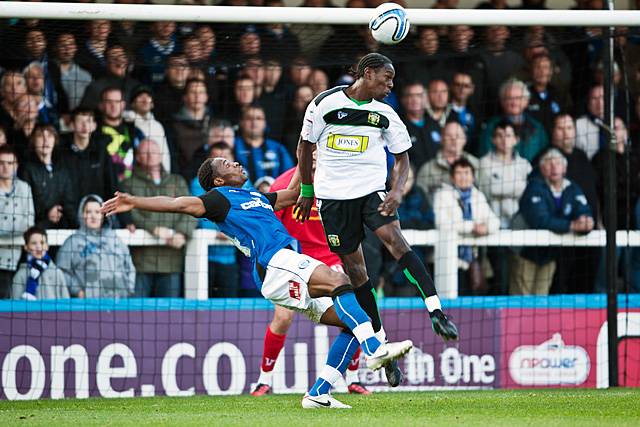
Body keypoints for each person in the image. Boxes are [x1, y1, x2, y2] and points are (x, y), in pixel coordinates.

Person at [100, 157, 413, 409]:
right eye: (225, 163)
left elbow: (292, 195)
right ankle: (374, 350)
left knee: (352, 320)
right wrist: (134, 201)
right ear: (218, 180)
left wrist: (307, 156)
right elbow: (179, 204)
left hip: (284, 267)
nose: (234, 163)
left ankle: (319, 392)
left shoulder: (255, 196)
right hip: (275, 263)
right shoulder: (218, 199)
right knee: (341, 281)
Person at [295, 53, 459, 386]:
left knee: (396, 241)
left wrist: (396, 191)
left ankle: (436, 311)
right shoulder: (323, 104)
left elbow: (402, 158)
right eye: (386, 78)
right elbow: (305, 147)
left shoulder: (385, 114)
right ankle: (381, 346)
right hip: (334, 200)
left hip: (371, 193)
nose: (390, 85)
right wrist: (308, 190)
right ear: (367, 73)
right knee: (357, 272)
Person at [251, 164, 370, 397]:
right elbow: (272, 225)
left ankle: (353, 379)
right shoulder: (285, 183)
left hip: (328, 257)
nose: (316, 154)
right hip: (294, 258)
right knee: (283, 316)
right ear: (303, 153)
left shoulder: (338, 178)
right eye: (311, 149)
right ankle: (263, 380)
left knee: (351, 312)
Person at [510, 148, 594, 295]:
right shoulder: (534, 187)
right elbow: (540, 220)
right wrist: (571, 225)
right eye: (549, 163)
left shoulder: (572, 188)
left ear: (565, 168)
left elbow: (583, 210)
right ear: (542, 168)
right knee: (522, 299)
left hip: (549, 255)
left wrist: (586, 220)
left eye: (558, 163)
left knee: (541, 299)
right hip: (525, 252)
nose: (554, 167)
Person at [121, 139, 195, 297]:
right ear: (138, 157)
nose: (150, 156)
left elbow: (191, 210)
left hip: (172, 262)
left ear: (161, 155)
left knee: (169, 316)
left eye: (154, 151)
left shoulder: (177, 181)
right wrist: (152, 228)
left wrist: (182, 232)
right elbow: (130, 212)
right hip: (141, 263)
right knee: (137, 315)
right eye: (145, 152)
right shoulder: (129, 184)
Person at [434, 158, 500, 295]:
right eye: (459, 173)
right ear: (452, 177)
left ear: (473, 176)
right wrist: (472, 227)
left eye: (467, 173)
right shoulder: (442, 195)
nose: (464, 177)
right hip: (449, 259)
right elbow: (443, 223)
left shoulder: (478, 196)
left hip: (473, 260)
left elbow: (495, 222)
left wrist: (486, 228)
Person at [57, 195, 135, 298]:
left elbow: (129, 266)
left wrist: (128, 289)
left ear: (103, 215)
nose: (93, 216)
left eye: (97, 212)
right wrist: (78, 292)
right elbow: (61, 271)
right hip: (90, 304)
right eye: (88, 212)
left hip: (118, 302)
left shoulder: (114, 239)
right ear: (82, 215)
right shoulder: (73, 242)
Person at [0, 145, 34, 299]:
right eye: (1, 163)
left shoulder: (24, 188)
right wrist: (17, 229)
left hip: (19, 256)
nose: (5, 168)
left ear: (16, 166)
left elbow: (29, 222)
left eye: (10, 163)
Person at [12, 226, 68, 300]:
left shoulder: (57, 273)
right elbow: (15, 305)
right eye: (34, 243)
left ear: (47, 246)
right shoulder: (21, 275)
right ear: (26, 247)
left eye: (42, 242)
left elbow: (66, 302)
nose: (38, 247)